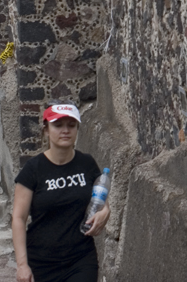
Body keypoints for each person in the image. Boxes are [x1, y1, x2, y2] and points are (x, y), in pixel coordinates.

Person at [12, 104, 109, 282]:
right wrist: (22, 265)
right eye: (58, 125)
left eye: (71, 125)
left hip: (81, 258)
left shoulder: (87, 164)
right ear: (46, 130)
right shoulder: (33, 169)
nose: (65, 130)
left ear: (77, 129)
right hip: (41, 262)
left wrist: (105, 212)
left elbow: (101, 200)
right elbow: (18, 218)